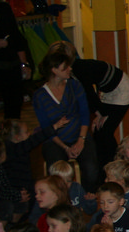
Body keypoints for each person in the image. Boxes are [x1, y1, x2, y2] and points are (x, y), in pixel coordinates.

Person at [49, 41, 129, 169]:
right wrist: (99, 113)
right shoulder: (72, 71)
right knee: (99, 131)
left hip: (121, 89)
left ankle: (116, 165)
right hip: (108, 91)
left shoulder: (77, 69)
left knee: (105, 131)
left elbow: (88, 93)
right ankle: (104, 166)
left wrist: (101, 113)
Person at [33, 49, 100, 191]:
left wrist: (81, 140)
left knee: (91, 169)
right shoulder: (40, 96)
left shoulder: (75, 86)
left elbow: (84, 114)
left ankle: (86, 196)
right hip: (55, 140)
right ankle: (61, 198)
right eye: (65, 67)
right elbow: (46, 127)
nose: (70, 69)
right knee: (56, 171)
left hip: (79, 135)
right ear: (54, 70)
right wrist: (65, 147)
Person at [0, 1, 31, 119]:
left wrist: (24, 65)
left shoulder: (3, 8)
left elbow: (17, 38)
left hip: (12, 67)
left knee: (14, 108)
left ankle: (12, 130)